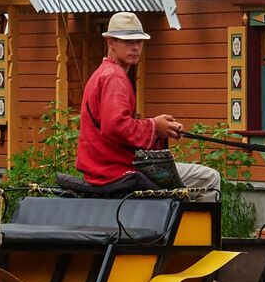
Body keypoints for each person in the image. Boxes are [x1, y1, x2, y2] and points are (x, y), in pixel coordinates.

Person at [76, 11, 221, 199]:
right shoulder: (114, 77)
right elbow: (115, 126)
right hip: (116, 171)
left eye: (139, 41)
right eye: (128, 41)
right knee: (209, 179)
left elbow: (117, 125)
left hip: (102, 170)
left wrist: (162, 128)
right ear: (110, 42)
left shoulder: (103, 73)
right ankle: (189, 229)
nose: (136, 47)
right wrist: (154, 126)